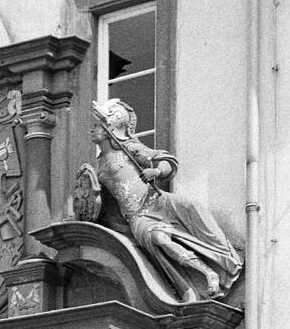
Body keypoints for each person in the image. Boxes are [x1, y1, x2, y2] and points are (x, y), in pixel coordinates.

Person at [91, 99, 242, 302]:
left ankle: (224, 257)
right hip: (137, 216)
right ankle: (207, 274)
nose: (92, 130)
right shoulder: (98, 165)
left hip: (156, 201)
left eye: (96, 126)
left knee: (191, 206)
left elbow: (167, 162)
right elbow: (97, 202)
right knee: (161, 240)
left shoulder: (130, 148)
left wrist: (155, 171)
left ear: (109, 127)